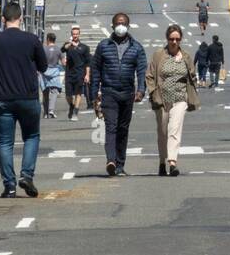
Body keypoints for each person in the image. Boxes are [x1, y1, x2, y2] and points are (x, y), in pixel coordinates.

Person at [0, 1, 47, 198]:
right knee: (32, 137)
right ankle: (26, 175)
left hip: (2, 98)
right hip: (28, 97)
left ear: (3, 19)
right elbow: (43, 66)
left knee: (5, 142)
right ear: (20, 18)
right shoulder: (32, 40)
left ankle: (9, 185)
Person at [90, 12, 147, 176]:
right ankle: (111, 160)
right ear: (113, 26)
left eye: (123, 23)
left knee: (123, 129)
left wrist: (141, 90)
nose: (120, 26)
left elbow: (141, 70)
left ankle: (120, 164)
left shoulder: (136, 47)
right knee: (111, 126)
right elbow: (96, 71)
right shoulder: (104, 46)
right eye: (118, 23)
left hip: (127, 93)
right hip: (109, 92)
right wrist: (95, 94)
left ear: (128, 26)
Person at [146, 23, 200, 176]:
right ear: (167, 39)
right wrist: (153, 92)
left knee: (174, 129)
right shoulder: (158, 55)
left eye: (177, 39)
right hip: (162, 99)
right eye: (171, 39)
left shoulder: (186, 57)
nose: (174, 42)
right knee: (162, 133)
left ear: (181, 39)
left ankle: (172, 163)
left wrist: (192, 89)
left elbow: (192, 75)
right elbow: (150, 76)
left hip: (180, 98)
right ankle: (162, 162)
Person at [61, 26, 91, 120]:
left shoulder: (84, 47)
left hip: (80, 73)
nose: (75, 36)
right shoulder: (68, 45)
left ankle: (75, 112)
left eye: (76, 34)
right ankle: (72, 106)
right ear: (71, 35)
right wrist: (70, 43)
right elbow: (63, 49)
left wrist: (87, 75)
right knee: (68, 95)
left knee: (78, 93)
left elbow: (88, 63)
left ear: (79, 34)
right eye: (73, 34)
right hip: (69, 73)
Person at [41, 32, 63, 119]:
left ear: (48, 39)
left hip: (44, 71)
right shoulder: (58, 49)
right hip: (54, 71)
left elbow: (39, 60)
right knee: (54, 92)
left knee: (45, 92)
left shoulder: (43, 49)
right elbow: (64, 62)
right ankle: (51, 110)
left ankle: (45, 113)